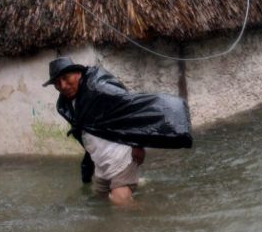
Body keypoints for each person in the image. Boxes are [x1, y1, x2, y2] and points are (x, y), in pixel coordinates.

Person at [43, 57, 192, 205]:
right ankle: (136, 186)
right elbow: (85, 134)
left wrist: (137, 145)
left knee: (120, 202)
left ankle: (152, 220)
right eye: (57, 83)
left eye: (66, 78)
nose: (62, 85)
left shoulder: (99, 88)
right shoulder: (66, 104)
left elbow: (129, 111)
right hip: (101, 162)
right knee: (101, 205)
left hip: (121, 157)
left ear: (78, 73)